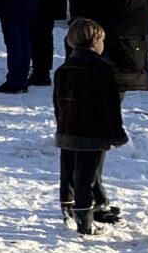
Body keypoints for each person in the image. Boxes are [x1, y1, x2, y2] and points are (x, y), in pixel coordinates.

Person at [52, 17, 128, 235]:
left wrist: (61, 125)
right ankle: (85, 221)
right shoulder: (102, 69)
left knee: (68, 172)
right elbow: (110, 106)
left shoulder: (63, 68)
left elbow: (57, 102)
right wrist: (116, 134)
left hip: (67, 128)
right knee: (86, 174)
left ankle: (67, 207)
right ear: (96, 41)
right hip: (92, 131)